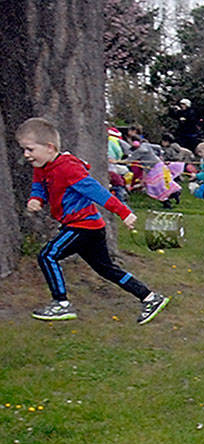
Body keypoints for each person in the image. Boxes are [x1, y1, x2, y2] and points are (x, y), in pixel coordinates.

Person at [18, 117, 169, 325]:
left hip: (83, 226)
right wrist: (36, 198)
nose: (26, 155)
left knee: (47, 255)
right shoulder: (42, 166)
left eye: (30, 149)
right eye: (23, 150)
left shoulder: (68, 168)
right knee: (106, 269)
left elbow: (96, 191)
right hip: (87, 227)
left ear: (49, 147)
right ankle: (150, 297)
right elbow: (39, 185)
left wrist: (124, 212)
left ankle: (61, 303)